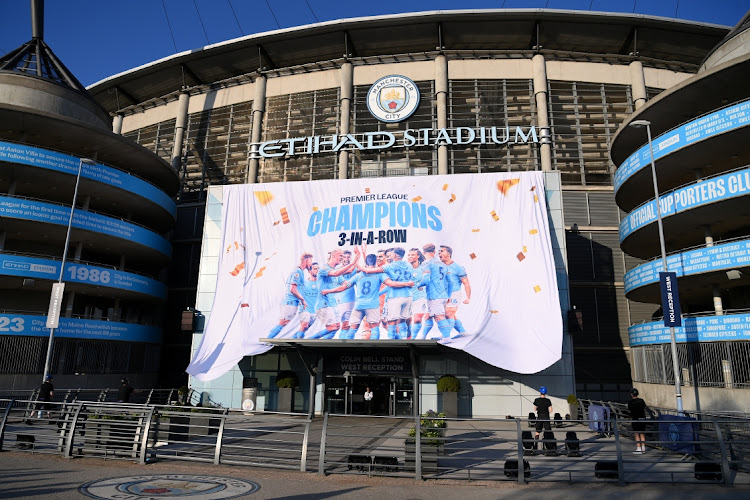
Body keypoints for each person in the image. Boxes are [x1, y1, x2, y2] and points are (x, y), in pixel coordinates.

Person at [268, 252, 313, 339]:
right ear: (306, 261)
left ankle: (293, 340)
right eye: (311, 261)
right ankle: (267, 340)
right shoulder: (297, 272)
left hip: (292, 303)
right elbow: (292, 289)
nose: (311, 264)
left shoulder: (300, 272)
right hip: (289, 302)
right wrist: (302, 299)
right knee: (283, 322)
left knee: (290, 324)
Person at [439, 245, 471, 340]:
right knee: (448, 314)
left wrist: (468, 297)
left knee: (449, 313)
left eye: (442, 251)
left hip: (454, 293)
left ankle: (446, 335)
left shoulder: (458, 267)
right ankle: (462, 331)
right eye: (439, 251)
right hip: (444, 294)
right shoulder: (440, 267)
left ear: (448, 254)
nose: (439, 253)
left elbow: (466, 283)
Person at [628, 388, 648, 454]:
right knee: (642, 433)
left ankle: (639, 448)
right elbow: (644, 408)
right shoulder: (641, 400)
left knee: (636, 433)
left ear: (631, 394)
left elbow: (629, 411)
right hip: (642, 418)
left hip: (635, 419)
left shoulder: (630, 402)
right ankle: (643, 448)